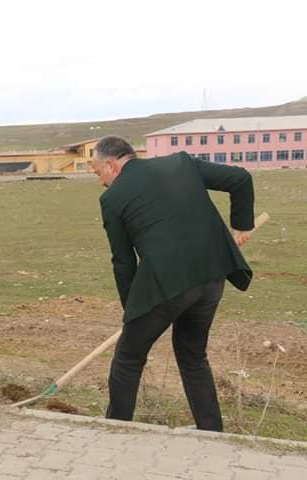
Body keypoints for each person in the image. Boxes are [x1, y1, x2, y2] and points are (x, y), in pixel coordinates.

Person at [92, 136, 254, 432]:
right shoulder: (180, 163)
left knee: (128, 357)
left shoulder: (112, 199)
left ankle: (115, 431)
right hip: (212, 276)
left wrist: (132, 313)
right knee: (193, 355)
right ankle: (211, 431)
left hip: (169, 286)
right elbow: (240, 178)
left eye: (97, 172)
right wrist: (241, 224)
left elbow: (123, 262)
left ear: (111, 165)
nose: (101, 182)